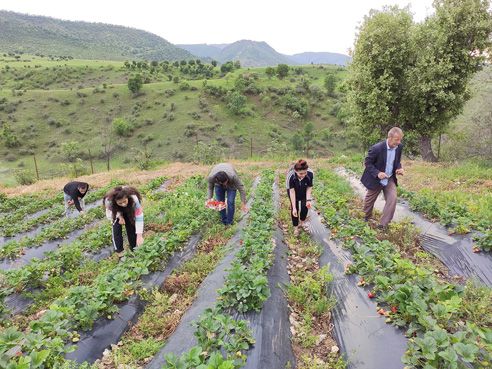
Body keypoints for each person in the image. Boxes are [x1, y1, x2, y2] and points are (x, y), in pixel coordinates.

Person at [360, 127, 405, 230]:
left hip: (389, 178)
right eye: (396, 140)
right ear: (389, 137)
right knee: (370, 200)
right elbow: (367, 162)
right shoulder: (377, 148)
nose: (399, 142)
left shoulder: (399, 147)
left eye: (400, 139)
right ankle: (366, 218)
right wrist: (378, 173)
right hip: (376, 178)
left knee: (392, 199)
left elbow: (397, 161)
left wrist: (399, 168)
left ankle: (383, 225)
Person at [103, 186, 144, 256]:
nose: (123, 204)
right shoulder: (109, 202)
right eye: (120, 203)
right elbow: (109, 214)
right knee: (116, 227)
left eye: (124, 201)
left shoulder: (134, 199)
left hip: (129, 208)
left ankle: (134, 248)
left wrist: (139, 236)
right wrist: (119, 216)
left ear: (127, 197)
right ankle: (120, 252)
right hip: (116, 211)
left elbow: (139, 218)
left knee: (131, 224)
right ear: (115, 202)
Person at [287, 159, 314, 236]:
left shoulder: (310, 173)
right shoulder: (291, 176)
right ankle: (295, 228)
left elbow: (309, 187)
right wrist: (294, 207)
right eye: (301, 173)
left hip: (304, 188)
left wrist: (308, 200)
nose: (303, 175)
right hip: (293, 190)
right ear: (295, 171)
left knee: (305, 206)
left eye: (305, 172)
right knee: (294, 209)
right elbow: (292, 192)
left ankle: (302, 223)